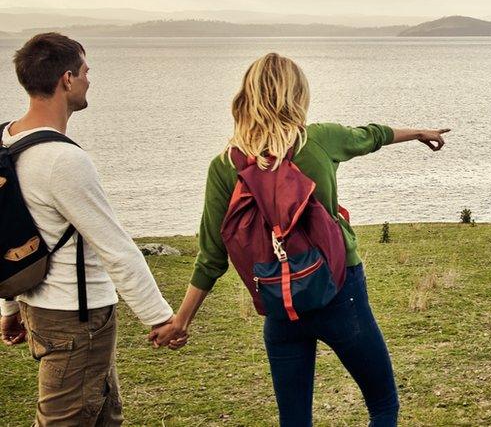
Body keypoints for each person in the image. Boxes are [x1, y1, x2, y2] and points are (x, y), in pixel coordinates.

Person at [151, 52, 448, 426]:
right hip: (341, 293)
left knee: (294, 422)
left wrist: (182, 320)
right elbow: (373, 136)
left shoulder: (225, 166)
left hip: (280, 304)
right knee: (383, 405)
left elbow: (211, 256)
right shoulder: (320, 140)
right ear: (298, 96)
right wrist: (420, 132)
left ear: (247, 96)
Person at [0, 33, 176, 426]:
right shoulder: (63, 160)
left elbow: (8, 233)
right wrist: (160, 319)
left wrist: (9, 309)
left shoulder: (5, 140)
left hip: (38, 307)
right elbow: (116, 247)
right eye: (85, 71)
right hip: (76, 318)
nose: (88, 80)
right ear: (66, 79)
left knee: (103, 416)